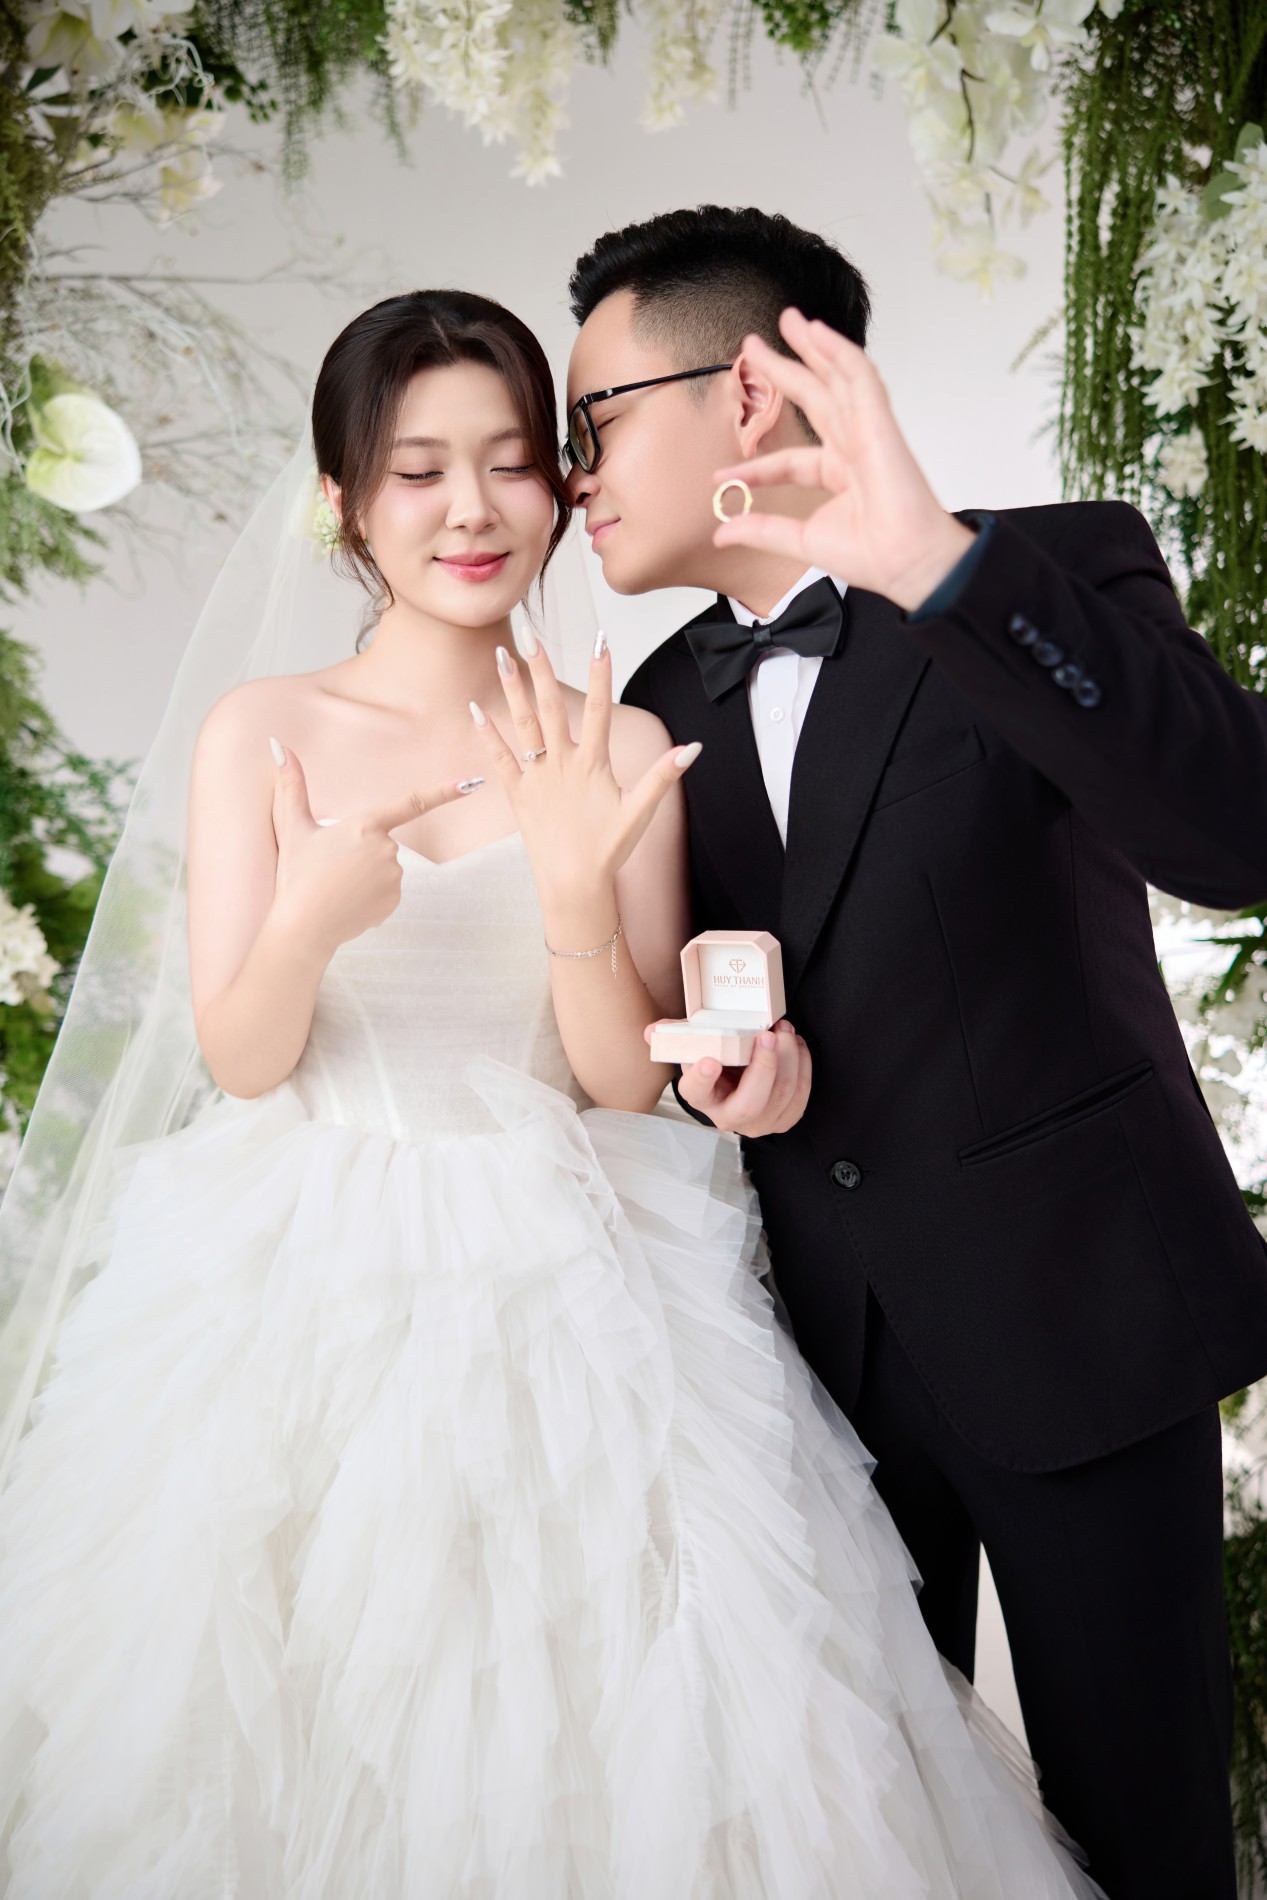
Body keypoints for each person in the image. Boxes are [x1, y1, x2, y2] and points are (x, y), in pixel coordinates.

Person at [0, 287, 1104, 1897]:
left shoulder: (625, 738)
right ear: (344, 500)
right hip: (299, 1272)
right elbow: (241, 1058)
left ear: (558, 486)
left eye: (512, 462)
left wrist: (579, 888)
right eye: (418, 471)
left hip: (572, 1275)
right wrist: (311, 917)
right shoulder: (264, 731)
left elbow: (617, 1083)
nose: (472, 510)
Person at [563, 203, 1267, 1900]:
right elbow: (692, 1014)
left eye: (596, 423)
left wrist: (942, 572)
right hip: (812, 1375)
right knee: (883, 1851)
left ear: (746, 394)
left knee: (1147, 1839)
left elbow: (1233, 834)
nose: (574, 476)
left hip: (1082, 1318)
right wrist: (731, 1077)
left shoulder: (1043, 565)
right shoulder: (657, 705)